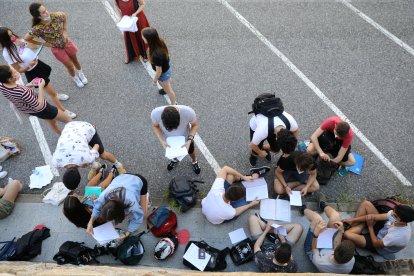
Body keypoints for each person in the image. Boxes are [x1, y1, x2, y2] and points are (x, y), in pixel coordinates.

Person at [0, 27, 76, 119]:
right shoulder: (7, 53)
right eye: (9, 36)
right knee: (50, 90)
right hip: (32, 71)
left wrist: (24, 43)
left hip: (38, 64)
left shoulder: (17, 41)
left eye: (12, 34)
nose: (13, 37)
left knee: (48, 78)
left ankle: (55, 95)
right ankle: (63, 110)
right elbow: (19, 70)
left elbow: (34, 47)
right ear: (4, 40)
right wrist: (29, 65)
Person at [25, 3, 88, 88]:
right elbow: (26, 38)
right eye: (43, 12)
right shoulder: (37, 28)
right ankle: (75, 78)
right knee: (70, 67)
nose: (47, 12)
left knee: (75, 60)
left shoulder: (55, 16)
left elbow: (64, 15)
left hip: (67, 43)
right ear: (38, 16)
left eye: (45, 10)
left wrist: (65, 30)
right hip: (57, 49)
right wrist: (43, 43)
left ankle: (81, 74)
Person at [51, 121, 126, 190]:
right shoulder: (55, 161)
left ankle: (118, 164)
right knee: (88, 160)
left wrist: (89, 154)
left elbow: (96, 145)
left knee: (102, 154)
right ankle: (97, 166)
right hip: (69, 126)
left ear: (80, 176)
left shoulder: (86, 157)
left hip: (86, 129)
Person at [0, 65, 71, 134]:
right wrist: (41, 87)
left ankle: (60, 134)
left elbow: (18, 92)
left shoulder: (2, 85)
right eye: (14, 72)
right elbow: (38, 106)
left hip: (31, 110)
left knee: (52, 122)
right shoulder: (23, 92)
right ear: (9, 79)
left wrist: (30, 84)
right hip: (44, 109)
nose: (16, 71)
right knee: (68, 119)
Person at [86, 173, 149, 241]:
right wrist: (90, 222)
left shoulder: (132, 204)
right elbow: (97, 208)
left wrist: (128, 233)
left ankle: (146, 196)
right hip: (121, 177)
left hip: (139, 180)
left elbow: (138, 218)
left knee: (144, 215)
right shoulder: (103, 196)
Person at [302, 194, 355, 274]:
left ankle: (303, 209)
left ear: (335, 251)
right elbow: (336, 244)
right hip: (329, 248)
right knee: (335, 217)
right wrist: (341, 231)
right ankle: (323, 206)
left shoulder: (321, 262)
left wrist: (316, 234)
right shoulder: (350, 261)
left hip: (314, 250)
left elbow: (314, 249)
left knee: (317, 219)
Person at [343, 200, 414, 260]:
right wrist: (352, 220)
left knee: (347, 234)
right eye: (393, 211)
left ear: (402, 222)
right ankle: (356, 225)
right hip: (382, 229)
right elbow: (374, 217)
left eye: (394, 216)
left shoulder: (398, 236)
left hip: (378, 244)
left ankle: (361, 226)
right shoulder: (395, 215)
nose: (391, 214)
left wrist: (370, 226)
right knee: (365, 203)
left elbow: (376, 244)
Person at [151, 105, 200, 174]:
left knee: (191, 150)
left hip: (186, 138)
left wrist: (189, 140)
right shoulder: (155, 114)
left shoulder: (188, 112)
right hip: (168, 140)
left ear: (179, 118)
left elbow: (195, 125)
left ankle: (194, 160)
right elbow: (155, 126)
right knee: (173, 153)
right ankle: (175, 159)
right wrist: (161, 141)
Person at [274, 130, 319, 197]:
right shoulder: (287, 159)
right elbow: (277, 172)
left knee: (316, 187)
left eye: (306, 170)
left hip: (298, 172)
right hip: (287, 170)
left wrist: (306, 187)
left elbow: (313, 174)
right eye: (302, 169)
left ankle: (297, 189)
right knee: (278, 190)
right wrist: (286, 186)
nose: (306, 171)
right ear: (297, 164)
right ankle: (299, 183)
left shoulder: (310, 162)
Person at [142, 27, 176, 104]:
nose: (142, 37)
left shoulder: (156, 55)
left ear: (148, 39)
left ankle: (174, 104)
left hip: (163, 74)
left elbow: (159, 71)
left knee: (169, 91)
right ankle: (167, 85)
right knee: (167, 81)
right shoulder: (159, 41)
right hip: (166, 69)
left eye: (143, 37)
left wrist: (155, 80)